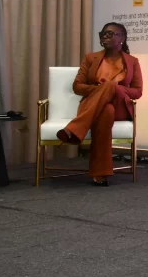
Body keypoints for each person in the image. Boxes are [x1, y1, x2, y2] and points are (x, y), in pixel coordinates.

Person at [58, 22, 143, 186]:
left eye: (109, 34)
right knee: (106, 111)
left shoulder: (132, 61)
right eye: (102, 34)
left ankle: (75, 128)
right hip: (96, 106)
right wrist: (101, 90)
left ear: (122, 37)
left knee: (110, 87)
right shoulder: (91, 58)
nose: (104, 36)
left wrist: (114, 89)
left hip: (120, 106)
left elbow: (138, 91)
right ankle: (100, 173)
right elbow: (77, 86)